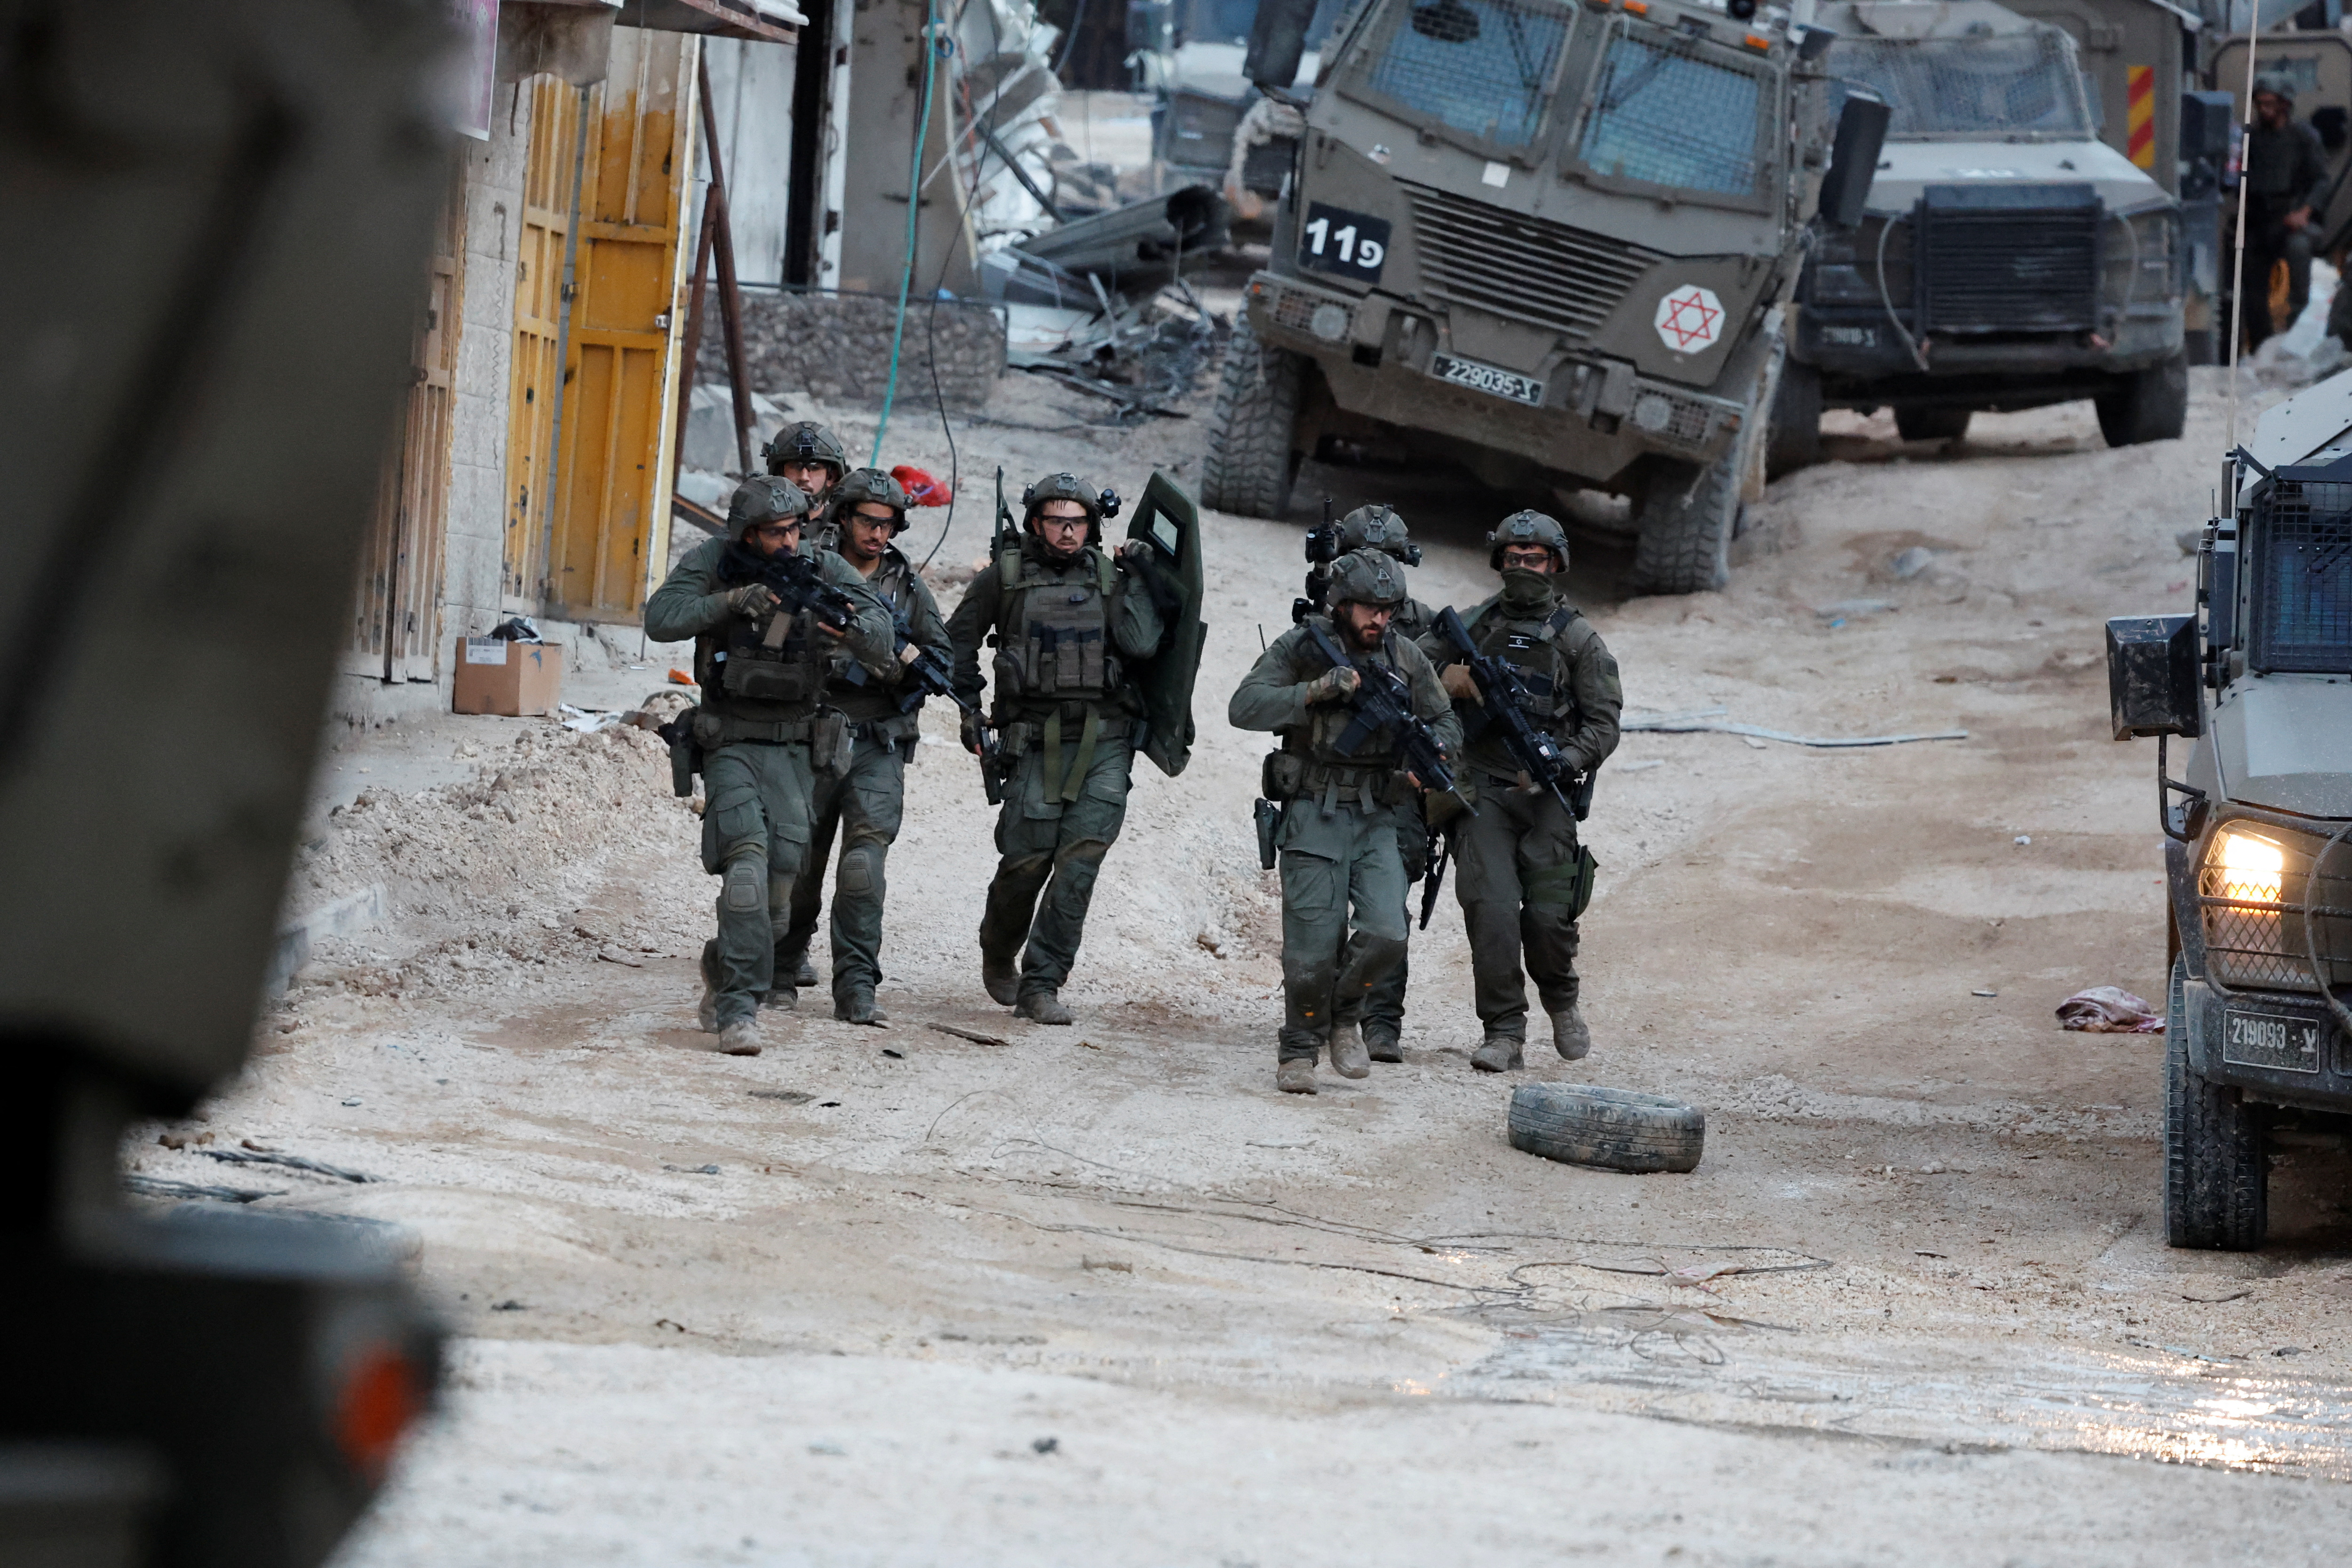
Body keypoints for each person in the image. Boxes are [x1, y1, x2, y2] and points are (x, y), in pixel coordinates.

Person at [642, 475, 894, 1054]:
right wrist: (729, 602)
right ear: (746, 533)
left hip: (794, 752)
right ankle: (739, 1010)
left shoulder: (821, 565)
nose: (787, 542)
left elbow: (881, 630)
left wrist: (846, 630)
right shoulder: (715, 558)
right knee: (746, 876)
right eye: (774, 533)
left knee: (778, 907)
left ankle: (723, 962)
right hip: (730, 744)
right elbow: (661, 617)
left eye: (793, 530)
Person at [1230, 549, 1461, 1096]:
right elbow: (1244, 707)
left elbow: (1444, 721)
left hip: (1377, 813)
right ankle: (1298, 1048)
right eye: (1365, 608)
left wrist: (1429, 759)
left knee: (1386, 932)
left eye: (1386, 609)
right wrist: (1314, 692)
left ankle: (1345, 1016)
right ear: (1340, 605)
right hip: (1313, 809)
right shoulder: (1303, 648)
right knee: (1310, 948)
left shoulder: (1405, 657)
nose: (1377, 620)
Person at [946, 472, 1166, 1024]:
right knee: (1025, 860)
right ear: (1036, 524)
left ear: (1091, 526)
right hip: (1034, 738)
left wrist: (1139, 575)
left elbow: (1142, 644)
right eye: (1056, 521)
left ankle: (1042, 982)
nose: (1067, 533)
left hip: (1104, 740)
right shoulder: (1007, 577)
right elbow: (956, 642)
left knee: (1079, 863)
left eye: (1077, 522)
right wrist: (969, 709)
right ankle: (998, 950)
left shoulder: (1112, 578)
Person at [1419, 511, 1620, 1072]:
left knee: (1548, 920)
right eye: (1512, 559)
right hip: (1482, 790)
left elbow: (1603, 725)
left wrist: (1564, 760)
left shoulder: (1579, 640)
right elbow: (1403, 668)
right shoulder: (1471, 623)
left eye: (1534, 560)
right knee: (1491, 911)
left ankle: (1561, 1001)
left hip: (1544, 794)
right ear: (1497, 563)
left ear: (1555, 564)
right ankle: (1504, 1031)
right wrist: (1446, 681)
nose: (1523, 568)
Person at [776, 468, 952, 1023]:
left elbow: (939, 655)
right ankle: (781, 967)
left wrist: (899, 663)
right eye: (867, 522)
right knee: (799, 861)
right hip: (808, 733)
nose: (878, 535)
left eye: (888, 525)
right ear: (843, 517)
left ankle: (856, 986)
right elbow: (771, 639)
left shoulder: (905, 585)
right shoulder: (808, 565)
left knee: (863, 865)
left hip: (876, 740)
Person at [1321, 506, 1439, 1063]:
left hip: (1397, 788)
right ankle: (1317, 1009)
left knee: (1388, 910)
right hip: (1329, 783)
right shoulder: (1326, 616)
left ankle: (1380, 1022)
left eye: (1389, 561)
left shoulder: (1427, 628)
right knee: (1320, 905)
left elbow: (1444, 713)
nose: (1375, 570)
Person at [2241, 73, 2330, 350]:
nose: (2264, 110)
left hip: (2294, 220)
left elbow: (2321, 180)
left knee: (2299, 251)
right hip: (2260, 221)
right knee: (2250, 282)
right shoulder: (2250, 138)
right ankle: (2261, 345)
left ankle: (2298, 340)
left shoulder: (2303, 138)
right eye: (2260, 103)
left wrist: (2305, 212)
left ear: (2284, 105)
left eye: (2271, 104)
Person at [762, 420, 848, 506]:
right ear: (779, 473)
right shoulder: (758, 516)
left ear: (831, 477)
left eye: (814, 468)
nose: (804, 477)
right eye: (796, 467)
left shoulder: (846, 519)